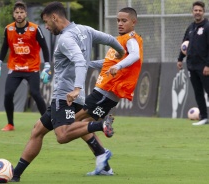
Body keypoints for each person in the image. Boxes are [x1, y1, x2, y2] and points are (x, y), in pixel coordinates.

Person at [11, 3, 142, 182]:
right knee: (38, 130)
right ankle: (15, 174)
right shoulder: (84, 30)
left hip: (65, 96)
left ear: (55, 17)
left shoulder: (65, 39)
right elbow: (111, 40)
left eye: (47, 22)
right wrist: (120, 53)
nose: (47, 27)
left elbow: (80, 61)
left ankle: (100, 126)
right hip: (74, 96)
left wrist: (77, 88)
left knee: (63, 135)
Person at [0, 1, 51, 131]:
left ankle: (48, 121)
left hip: (32, 67)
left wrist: (47, 66)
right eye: (17, 12)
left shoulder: (34, 28)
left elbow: (44, 47)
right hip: (15, 68)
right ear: (13, 14)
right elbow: (4, 47)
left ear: (26, 14)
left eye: (21, 12)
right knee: (8, 94)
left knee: (35, 93)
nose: (19, 15)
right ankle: (10, 124)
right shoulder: (8, 29)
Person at [177, 1, 209, 126]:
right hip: (191, 66)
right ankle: (204, 117)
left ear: (203, 12)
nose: (197, 12)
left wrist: (207, 64)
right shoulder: (190, 28)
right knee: (198, 92)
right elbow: (184, 45)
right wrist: (180, 59)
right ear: (192, 12)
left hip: (204, 66)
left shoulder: (207, 26)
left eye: (200, 10)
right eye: (195, 10)